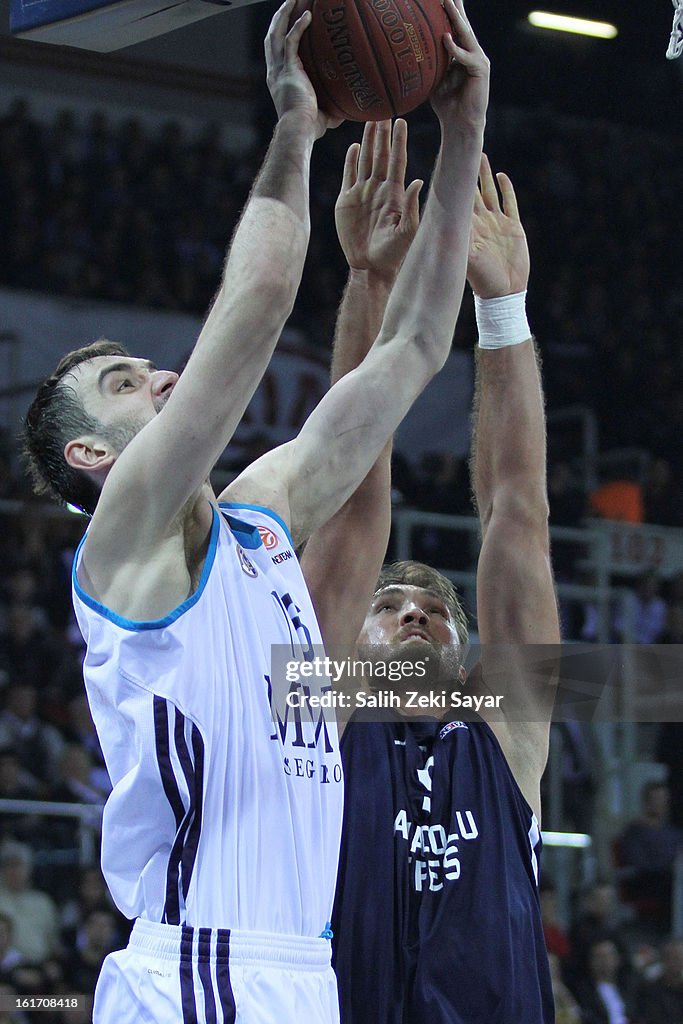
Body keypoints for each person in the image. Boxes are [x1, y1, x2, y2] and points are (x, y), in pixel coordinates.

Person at [22, 0, 489, 1020]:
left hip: (298, 971)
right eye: (124, 383)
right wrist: (293, 123)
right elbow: (266, 291)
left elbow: (412, 350)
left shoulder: (259, 517)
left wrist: (463, 132)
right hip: (194, 969)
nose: (156, 376)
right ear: (93, 454)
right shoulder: (126, 538)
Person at [302, 152, 560, 1019]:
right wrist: (371, 280)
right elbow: (342, 497)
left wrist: (502, 306)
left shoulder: (508, 737)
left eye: (437, 610)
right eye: (387, 604)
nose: (415, 611)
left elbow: (516, 512)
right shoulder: (319, 718)